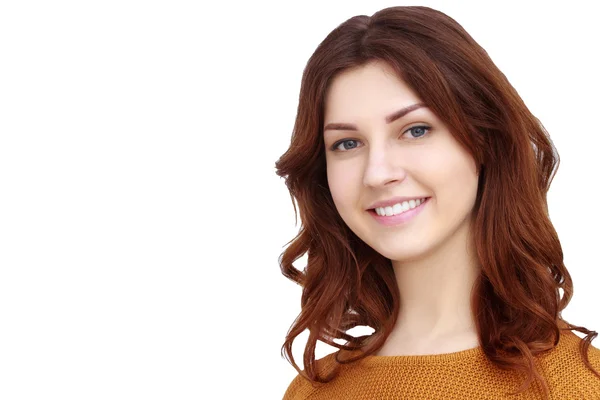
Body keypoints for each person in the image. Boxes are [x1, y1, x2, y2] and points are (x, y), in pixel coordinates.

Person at [274, 5, 600, 400]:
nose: (377, 173)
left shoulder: (580, 386)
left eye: (415, 130)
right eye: (347, 143)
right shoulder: (312, 390)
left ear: (483, 141)